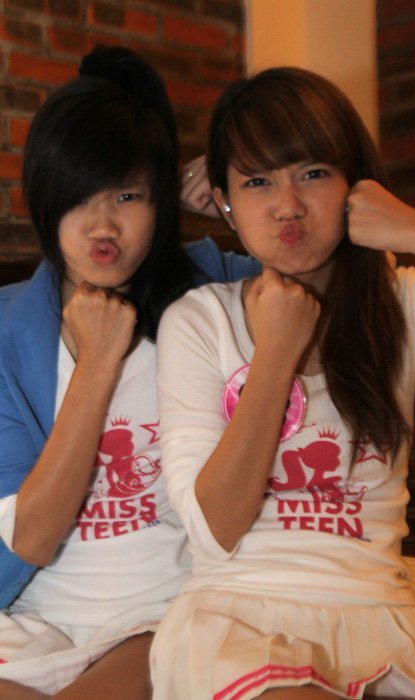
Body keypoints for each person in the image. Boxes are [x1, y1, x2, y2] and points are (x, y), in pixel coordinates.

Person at [150, 67, 415, 699]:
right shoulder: (201, 319)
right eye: (256, 181)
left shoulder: (402, 302)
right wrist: (276, 353)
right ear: (224, 202)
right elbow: (214, 528)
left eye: (313, 173)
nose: (287, 206)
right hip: (240, 618)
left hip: (380, 618)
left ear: (357, 185)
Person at [0, 45, 259, 699]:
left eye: (127, 194)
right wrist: (95, 365)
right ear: (45, 200)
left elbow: (340, 268)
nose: (103, 225)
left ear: (160, 200)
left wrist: (234, 202)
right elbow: (31, 536)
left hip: (161, 616)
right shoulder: (6, 333)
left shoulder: (211, 292)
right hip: (31, 619)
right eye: (78, 196)